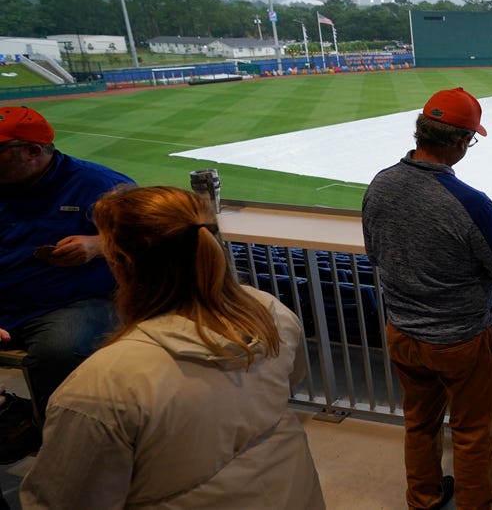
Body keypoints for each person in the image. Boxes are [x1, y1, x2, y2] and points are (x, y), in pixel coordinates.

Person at [19, 186, 323, 508]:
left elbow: (62, 501)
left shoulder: (100, 386)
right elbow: (287, 384)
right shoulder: (269, 310)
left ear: (121, 263)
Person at [362, 87, 492, 510]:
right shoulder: (470, 203)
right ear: (457, 142)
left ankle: (424, 499)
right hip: (462, 340)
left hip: (402, 331)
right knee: (472, 435)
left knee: (419, 424)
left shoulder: (380, 185)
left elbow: (375, 254)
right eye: (469, 140)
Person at [0, 105, 133, 462]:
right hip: (8, 301)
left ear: (32, 152)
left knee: (61, 350)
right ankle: (9, 417)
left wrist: (99, 244)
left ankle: (66, 446)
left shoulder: (99, 184)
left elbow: (156, 235)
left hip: (76, 301)